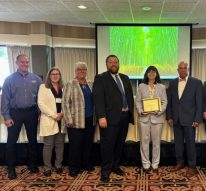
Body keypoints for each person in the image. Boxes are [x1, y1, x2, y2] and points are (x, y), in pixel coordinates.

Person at [93, 55, 134, 183]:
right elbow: (98, 98)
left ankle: (115, 166)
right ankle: (105, 171)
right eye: (110, 62)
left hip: (124, 117)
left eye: (115, 62)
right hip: (108, 119)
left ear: (119, 64)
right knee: (107, 145)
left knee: (119, 144)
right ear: (106, 64)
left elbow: (129, 96)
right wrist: (101, 117)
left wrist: (130, 113)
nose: (113, 64)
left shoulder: (125, 78)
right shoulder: (100, 78)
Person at [1, 54, 42, 179]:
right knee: (11, 142)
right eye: (22, 62)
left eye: (27, 62)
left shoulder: (36, 79)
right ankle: (11, 168)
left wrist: (40, 113)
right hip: (15, 113)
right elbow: (5, 100)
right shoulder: (9, 79)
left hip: (32, 113)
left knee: (32, 140)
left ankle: (32, 164)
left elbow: (41, 98)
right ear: (17, 63)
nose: (25, 64)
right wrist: (6, 117)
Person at [166, 61, 203, 178]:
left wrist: (197, 118)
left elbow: (199, 103)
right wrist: (169, 116)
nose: (183, 70)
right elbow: (169, 102)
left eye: (185, 68)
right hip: (176, 119)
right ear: (177, 70)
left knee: (191, 144)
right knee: (178, 143)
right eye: (180, 68)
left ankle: (192, 166)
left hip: (190, 119)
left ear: (188, 69)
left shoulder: (196, 83)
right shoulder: (172, 83)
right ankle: (180, 162)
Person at [62, 62, 95, 177]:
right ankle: (74, 167)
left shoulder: (90, 83)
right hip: (75, 121)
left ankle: (85, 164)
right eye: (79, 69)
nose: (82, 71)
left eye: (84, 69)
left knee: (87, 144)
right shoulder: (70, 84)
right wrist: (68, 120)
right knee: (75, 145)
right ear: (75, 71)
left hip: (90, 119)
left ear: (86, 71)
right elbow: (65, 103)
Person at [136, 66, 167, 173]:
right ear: (146, 74)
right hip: (144, 118)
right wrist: (141, 111)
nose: (151, 73)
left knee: (156, 143)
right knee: (144, 142)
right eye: (149, 71)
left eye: (153, 71)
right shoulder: (141, 86)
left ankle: (155, 164)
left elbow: (164, 102)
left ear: (156, 74)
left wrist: (159, 111)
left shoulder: (162, 87)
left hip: (157, 119)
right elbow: (138, 101)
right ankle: (145, 164)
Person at [38, 67, 65, 177]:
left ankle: (58, 165)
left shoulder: (63, 87)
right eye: (53, 74)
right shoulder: (43, 87)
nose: (55, 75)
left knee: (60, 145)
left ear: (60, 75)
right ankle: (47, 168)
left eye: (57, 74)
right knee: (48, 145)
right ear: (49, 76)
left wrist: (62, 113)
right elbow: (41, 104)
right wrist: (54, 115)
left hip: (61, 120)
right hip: (50, 119)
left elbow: (67, 102)